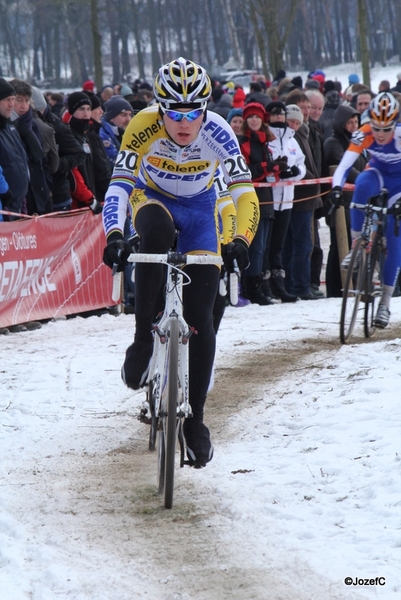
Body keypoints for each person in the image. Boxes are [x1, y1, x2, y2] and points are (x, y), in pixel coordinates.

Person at [102, 57, 259, 467]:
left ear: (205, 110)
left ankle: (196, 420)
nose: (184, 122)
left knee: (202, 316)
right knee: (153, 233)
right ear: (159, 108)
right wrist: (115, 235)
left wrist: (241, 239)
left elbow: (245, 194)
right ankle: (141, 339)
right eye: (174, 112)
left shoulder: (219, 132)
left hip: (200, 208)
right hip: (152, 198)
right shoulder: (142, 126)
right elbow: (119, 185)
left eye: (193, 113)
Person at [329, 92, 401, 328]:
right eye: (377, 128)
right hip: (378, 174)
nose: (380, 134)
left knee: (394, 238)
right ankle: (357, 246)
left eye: (386, 129)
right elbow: (343, 166)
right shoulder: (365, 132)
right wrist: (337, 189)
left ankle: (385, 303)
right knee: (360, 185)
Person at [238, 102, 287, 305]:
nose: (254, 120)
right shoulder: (244, 143)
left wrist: (278, 168)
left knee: (263, 247)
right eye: (251, 117)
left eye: (257, 117)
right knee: (256, 247)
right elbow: (247, 172)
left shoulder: (265, 142)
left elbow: (266, 171)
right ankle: (251, 290)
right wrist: (270, 166)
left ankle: (261, 288)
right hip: (251, 199)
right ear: (246, 121)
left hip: (267, 198)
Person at [263, 101, 306, 302]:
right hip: (268, 200)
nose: (278, 117)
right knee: (265, 245)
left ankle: (279, 286)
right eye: (274, 114)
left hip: (287, 199)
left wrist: (295, 173)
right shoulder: (265, 138)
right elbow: (262, 168)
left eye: (281, 114)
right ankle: (263, 285)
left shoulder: (291, 139)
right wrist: (274, 174)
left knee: (278, 245)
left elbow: (300, 163)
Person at [323, 104, 366, 297]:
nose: (353, 126)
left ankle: (353, 284)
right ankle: (336, 288)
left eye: (356, 122)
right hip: (341, 202)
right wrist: (365, 181)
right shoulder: (334, 142)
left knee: (354, 244)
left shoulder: (357, 142)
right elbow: (344, 166)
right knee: (338, 245)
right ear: (341, 123)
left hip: (356, 201)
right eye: (350, 122)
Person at [0, 77, 29, 219]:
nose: (11, 105)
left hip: (17, 204)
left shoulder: (9, 127)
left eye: (13, 99)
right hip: (5, 206)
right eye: (7, 100)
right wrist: (5, 192)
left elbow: (20, 161)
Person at [99, 95, 133, 167]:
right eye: (124, 115)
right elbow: (117, 161)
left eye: (130, 115)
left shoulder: (122, 130)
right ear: (111, 117)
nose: (128, 119)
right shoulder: (103, 135)